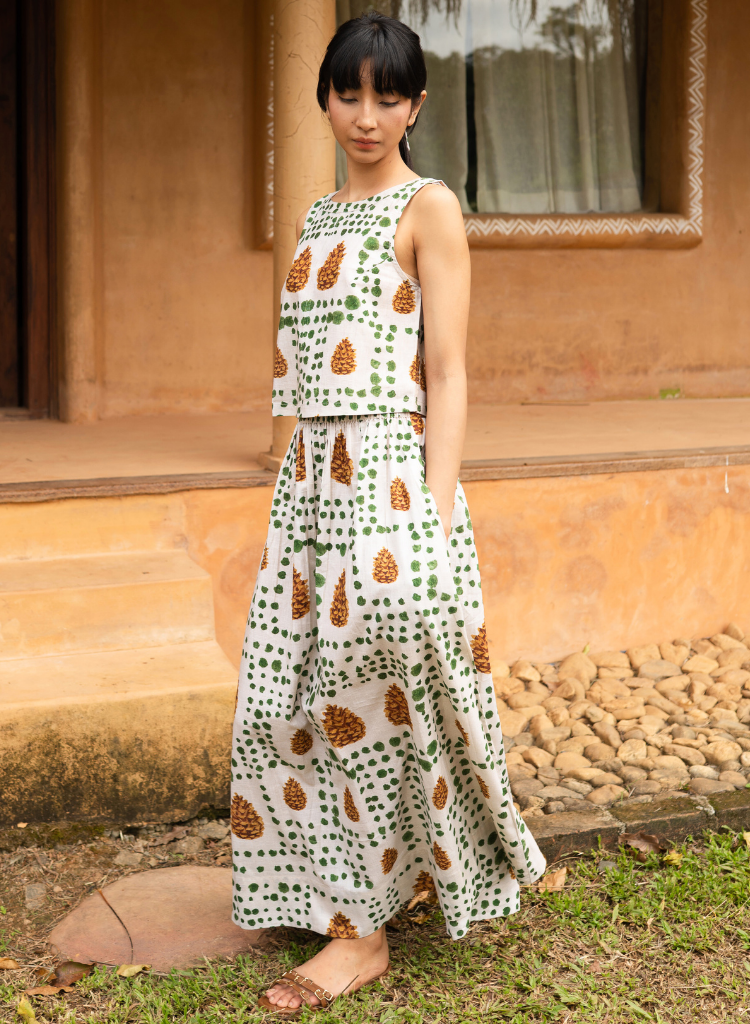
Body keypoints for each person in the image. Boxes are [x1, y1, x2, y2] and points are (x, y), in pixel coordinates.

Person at [230, 11, 546, 1015]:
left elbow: (447, 371)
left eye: (388, 95)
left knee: (377, 688)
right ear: (325, 97)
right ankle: (348, 884)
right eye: (348, 92)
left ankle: (362, 932)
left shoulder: (430, 206)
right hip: (312, 486)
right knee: (291, 696)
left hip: (391, 478)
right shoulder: (320, 216)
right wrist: (289, 484)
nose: (367, 114)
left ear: (414, 105)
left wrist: (431, 513)